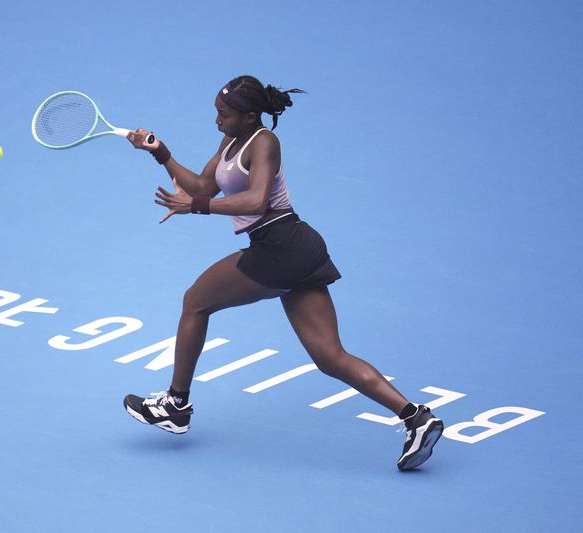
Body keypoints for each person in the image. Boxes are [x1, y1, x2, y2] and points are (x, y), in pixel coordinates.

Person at [123, 75, 443, 471]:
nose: (217, 121)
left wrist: (199, 206)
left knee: (195, 302)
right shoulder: (231, 140)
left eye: (224, 115)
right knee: (330, 357)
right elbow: (204, 184)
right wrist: (159, 151)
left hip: (280, 247)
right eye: (217, 113)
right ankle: (416, 417)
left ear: (249, 115)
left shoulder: (264, 142)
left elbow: (256, 200)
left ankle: (175, 404)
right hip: (297, 251)